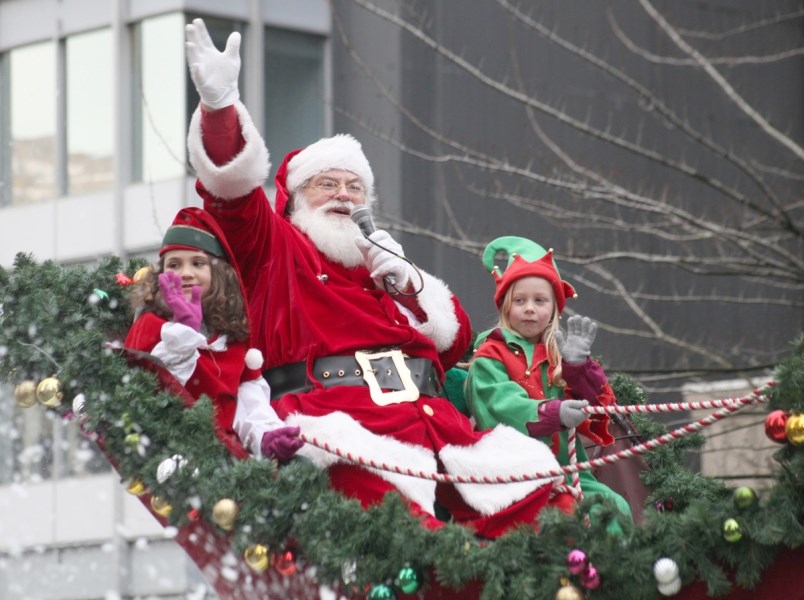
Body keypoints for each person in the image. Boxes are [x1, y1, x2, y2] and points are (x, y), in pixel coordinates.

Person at [182, 18, 574, 538]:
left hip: (435, 428)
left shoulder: (384, 258)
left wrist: (411, 287)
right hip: (340, 427)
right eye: (327, 185)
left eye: (355, 187)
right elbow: (231, 195)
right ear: (297, 200)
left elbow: (454, 341)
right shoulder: (278, 246)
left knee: (544, 499)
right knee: (407, 537)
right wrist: (219, 106)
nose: (344, 196)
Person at [464, 236, 633, 528]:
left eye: (539, 300)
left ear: (554, 308)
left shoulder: (559, 353)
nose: (530, 308)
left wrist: (579, 369)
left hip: (567, 471)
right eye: (520, 300)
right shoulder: (490, 354)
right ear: (505, 307)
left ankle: (601, 574)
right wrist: (552, 413)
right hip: (510, 473)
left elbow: (599, 412)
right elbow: (497, 404)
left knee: (614, 508)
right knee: (567, 517)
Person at [125, 207, 302, 462]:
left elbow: (246, 404)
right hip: (173, 458)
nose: (185, 272)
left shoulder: (232, 338)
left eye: (198, 263)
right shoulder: (150, 326)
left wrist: (265, 435)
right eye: (174, 265)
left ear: (218, 274)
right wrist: (183, 331)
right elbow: (153, 395)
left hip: (227, 461)